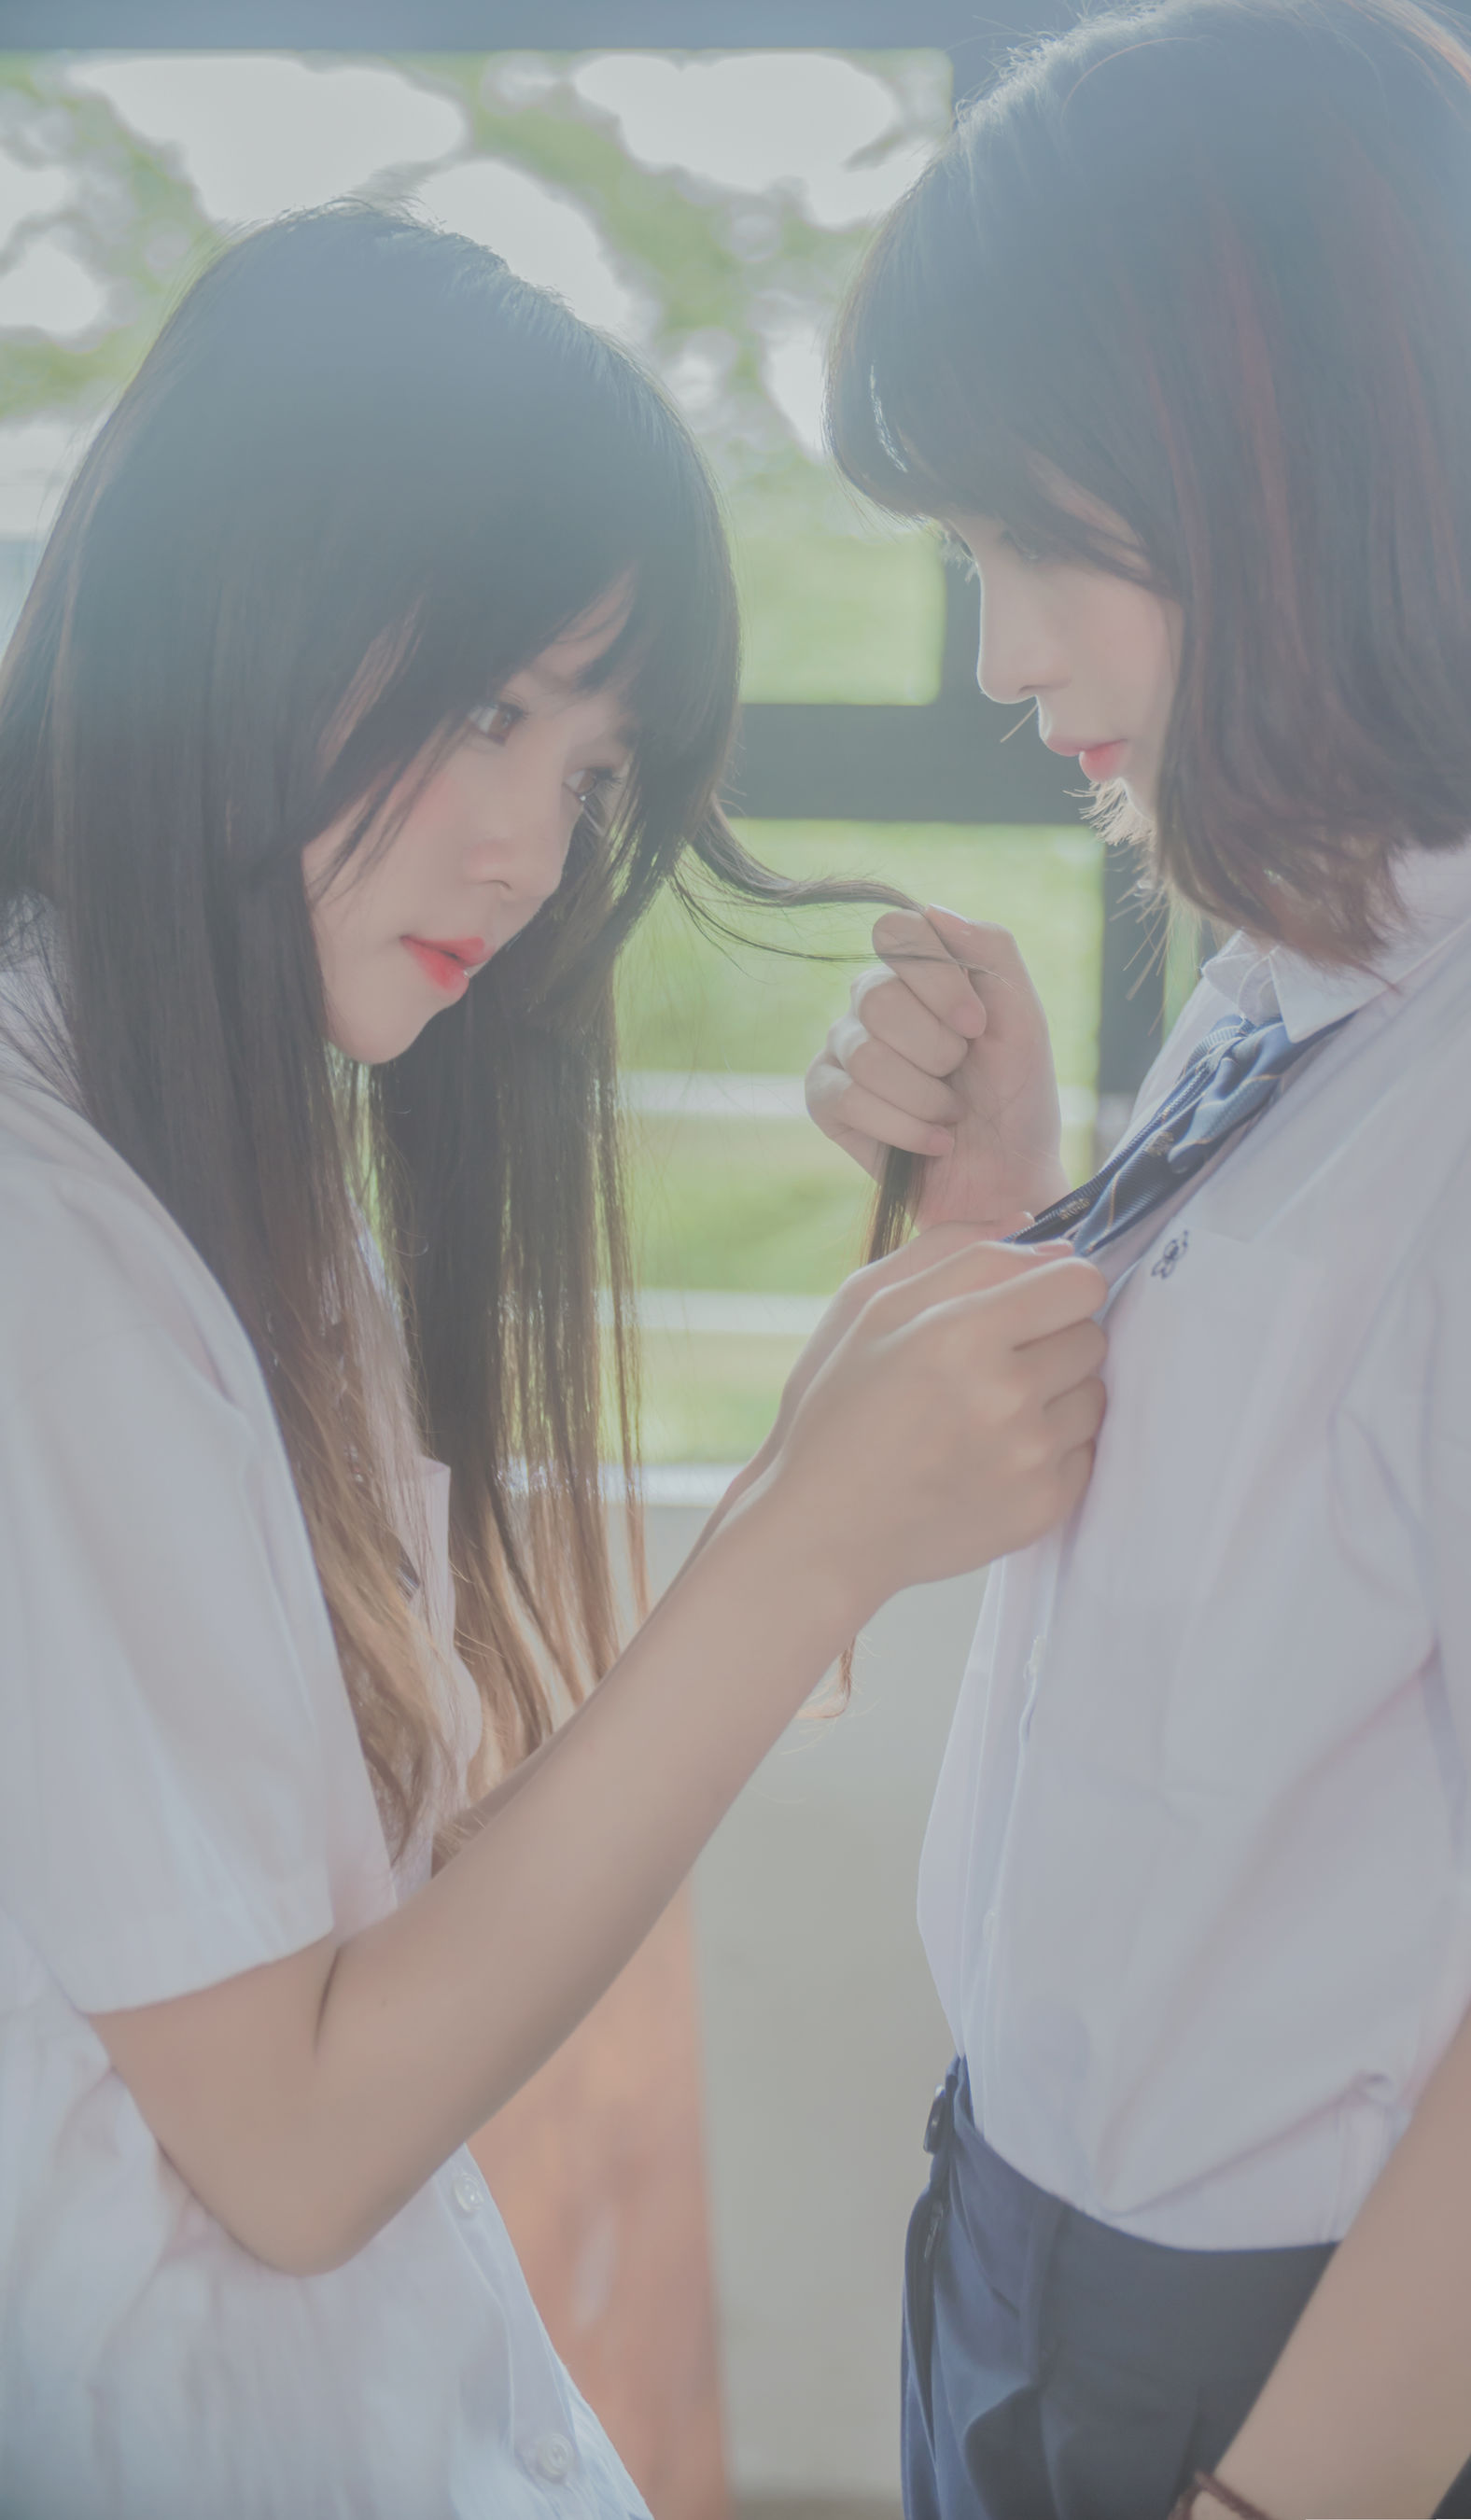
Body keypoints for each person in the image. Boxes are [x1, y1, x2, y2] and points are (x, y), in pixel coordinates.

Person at [0, 203, 1111, 2520]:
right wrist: (806, 1546)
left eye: (595, 770)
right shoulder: (53, 1263)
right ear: (229, 595)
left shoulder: (217, 1154)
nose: (529, 850)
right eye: (493, 708)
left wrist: (862, 1416)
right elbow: (300, 2146)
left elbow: (397, 1926)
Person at [806, 4, 1471, 2513]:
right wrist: (1010, 1218)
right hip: (1025, 2250)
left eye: (1039, 545)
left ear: (1300, 460)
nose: (1003, 657)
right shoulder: (1332, 902)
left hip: (1283, 2384)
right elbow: (1277, 1555)